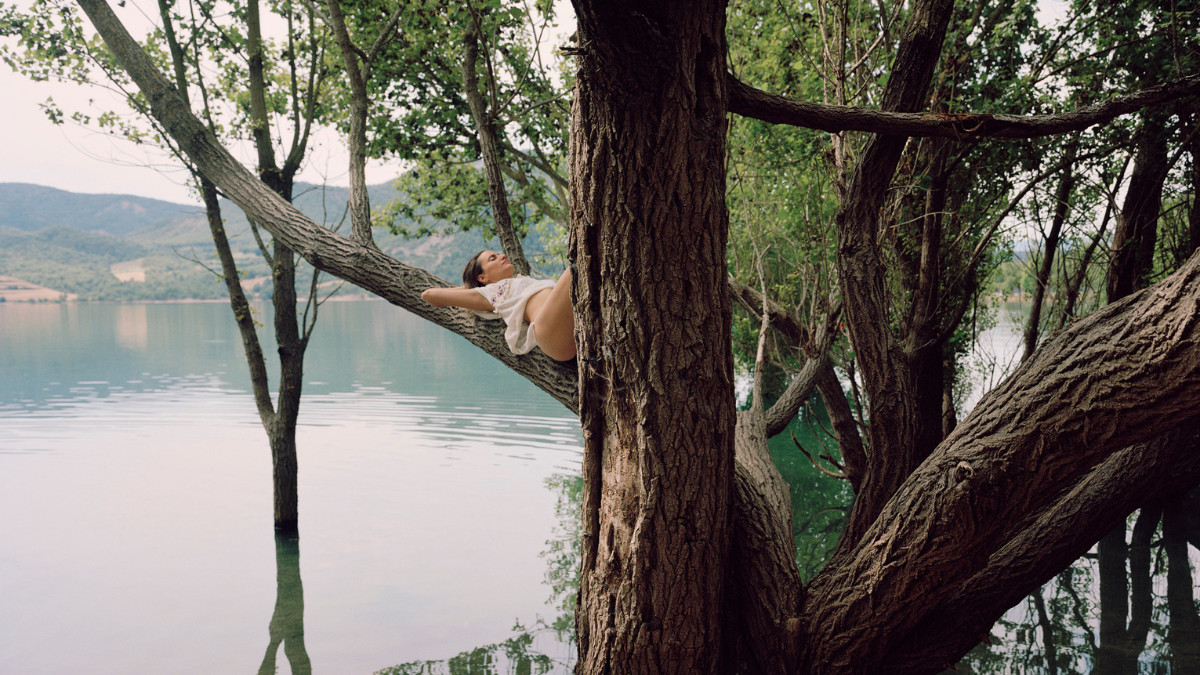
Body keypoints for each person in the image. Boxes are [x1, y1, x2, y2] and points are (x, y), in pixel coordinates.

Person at [421, 250, 576, 361]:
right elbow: (429, 295)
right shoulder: (492, 293)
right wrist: (471, 288)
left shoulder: (517, 282)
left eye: (499, 254)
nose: (502, 256)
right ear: (482, 277)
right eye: (493, 258)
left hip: (567, 326)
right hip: (551, 333)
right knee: (575, 266)